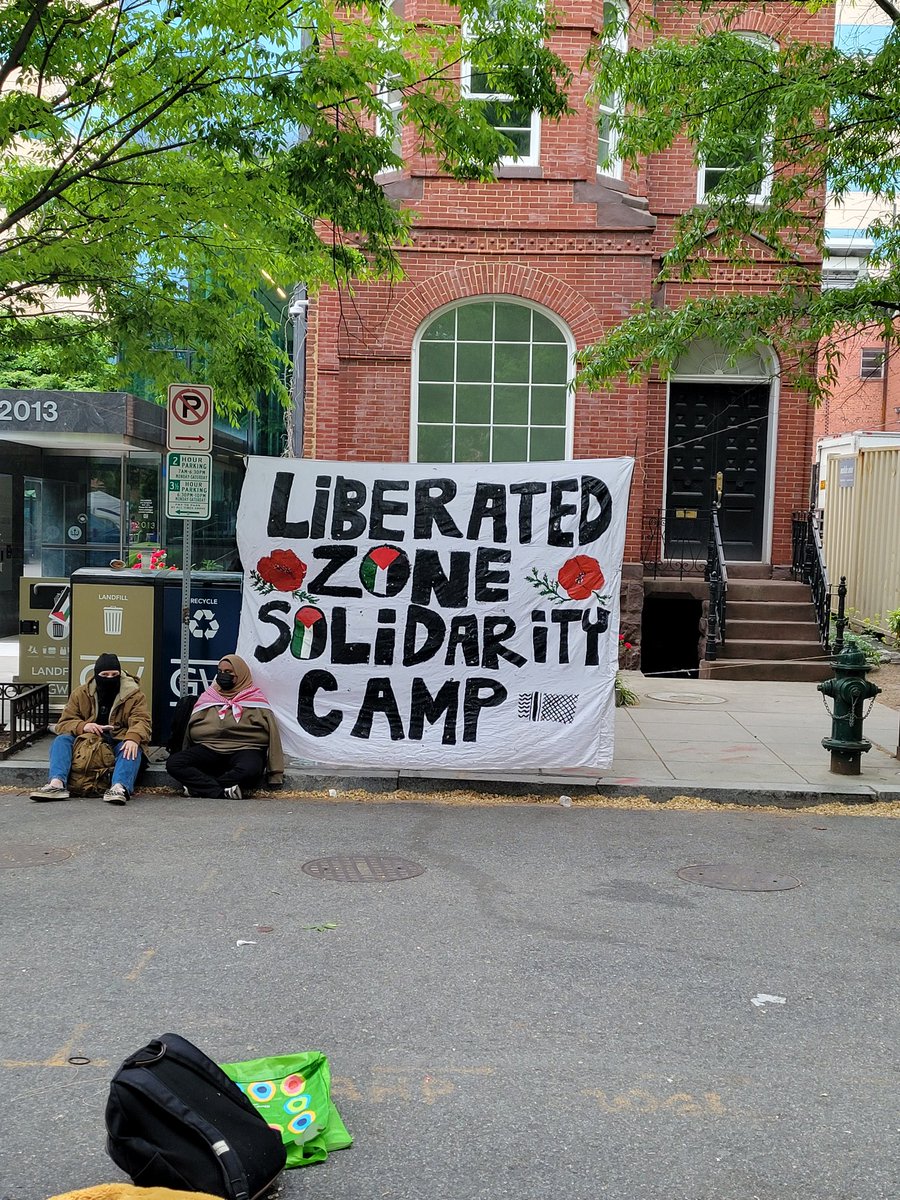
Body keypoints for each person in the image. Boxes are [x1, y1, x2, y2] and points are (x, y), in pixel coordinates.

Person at [30, 653, 152, 805]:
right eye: (104, 674)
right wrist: (84, 726)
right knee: (61, 740)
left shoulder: (134, 694)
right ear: (96, 675)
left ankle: (119, 787)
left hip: (118, 737)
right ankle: (56, 783)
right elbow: (64, 723)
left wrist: (133, 737)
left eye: (114, 674)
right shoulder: (81, 693)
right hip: (86, 739)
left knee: (132, 748)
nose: (109, 678)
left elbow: (142, 720)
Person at [166, 654, 284, 799]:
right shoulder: (209, 697)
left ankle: (201, 789)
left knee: (251, 769)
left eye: (228, 672)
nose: (223, 675)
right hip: (209, 748)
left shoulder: (256, 700)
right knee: (174, 763)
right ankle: (221, 792)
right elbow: (191, 729)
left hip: (245, 749)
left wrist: (275, 773)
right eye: (220, 672)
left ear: (240, 675)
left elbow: (273, 736)